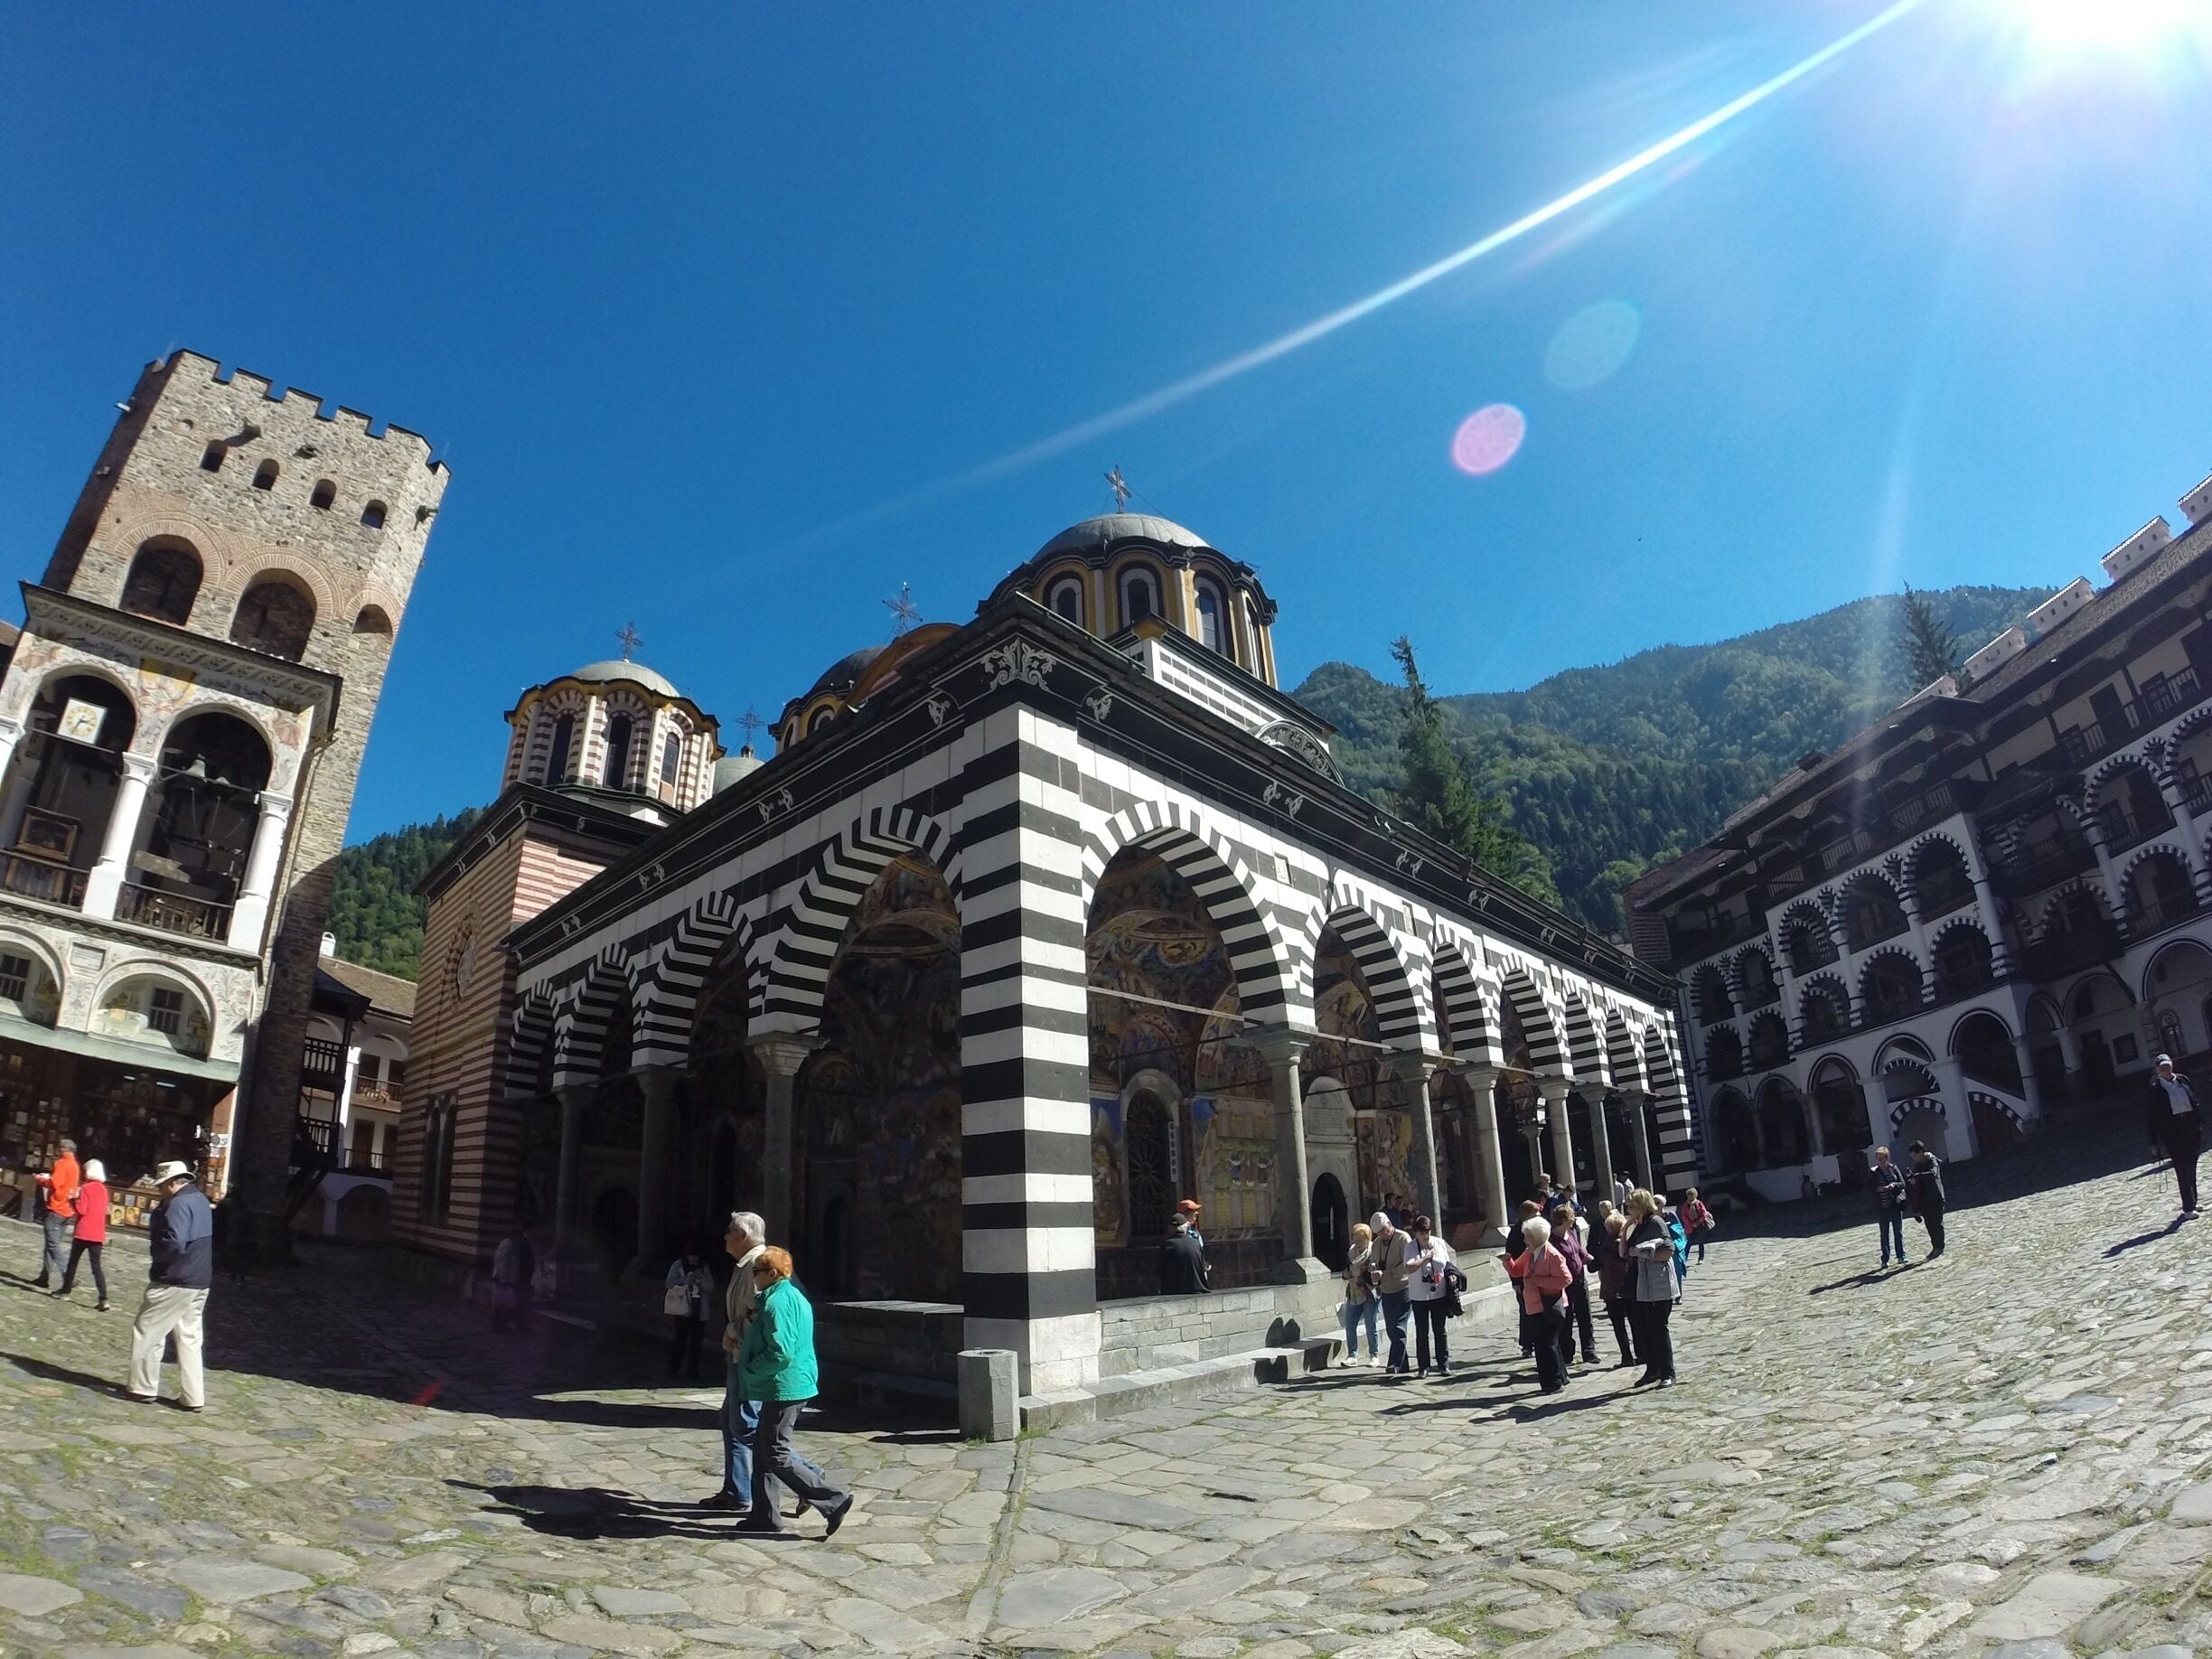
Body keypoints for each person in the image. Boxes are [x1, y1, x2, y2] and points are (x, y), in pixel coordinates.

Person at [706, 1212, 826, 1514]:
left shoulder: (759, 1266)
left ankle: (810, 1478)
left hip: (749, 1359)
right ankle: (738, 1490)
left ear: (744, 1235)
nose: (725, 1236)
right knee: (733, 1424)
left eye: (730, 1230)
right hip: (741, 1355)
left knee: (747, 1428)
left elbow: (760, 1316)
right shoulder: (747, 1265)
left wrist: (733, 1334)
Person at [735, 1247, 854, 1537]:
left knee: (774, 1453)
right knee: (764, 1452)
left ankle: (832, 1499)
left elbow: (781, 1353)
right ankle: (765, 1516)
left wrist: (750, 1370)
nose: (753, 1278)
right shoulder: (788, 1296)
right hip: (786, 1384)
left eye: (757, 1273)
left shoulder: (779, 1302)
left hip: (784, 1387)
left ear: (772, 1274)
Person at [128, 1163, 212, 1411]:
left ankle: (143, 1387)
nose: (161, 1192)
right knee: (189, 1339)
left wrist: (157, 1255)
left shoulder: (178, 1205)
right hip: (199, 1280)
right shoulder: (200, 1200)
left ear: (170, 1183)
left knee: (148, 1331)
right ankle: (193, 1396)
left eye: (162, 1186)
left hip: (175, 1279)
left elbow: (174, 1243)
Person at [1505, 1215, 1576, 1394]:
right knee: (1548, 1344)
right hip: (1535, 1306)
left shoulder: (1552, 1254)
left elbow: (1566, 1279)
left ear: (1536, 1237)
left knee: (1546, 1345)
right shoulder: (1529, 1253)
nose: (1524, 1240)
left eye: (1527, 1236)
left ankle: (1552, 1384)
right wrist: (1507, 1261)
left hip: (1550, 1305)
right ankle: (1561, 1377)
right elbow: (1516, 1269)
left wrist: (1539, 1281)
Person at [1625, 1188, 1680, 1387]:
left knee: (1658, 1328)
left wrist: (1643, 1254)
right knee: (1643, 1328)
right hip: (1643, 1285)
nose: (1628, 1208)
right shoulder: (1638, 1225)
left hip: (1659, 1283)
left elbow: (1668, 1250)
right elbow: (1625, 1251)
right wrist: (1626, 1227)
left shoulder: (1655, 1222)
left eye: (1631, 1205)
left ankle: (1668, 1372)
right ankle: (1653, 1369)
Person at [2147, 1054, 2205, 1219]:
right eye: (2162, 1067)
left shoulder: (2182, 1080)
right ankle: (2187, 1208)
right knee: (2181, 1166)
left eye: (2168, 1065)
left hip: (2190, 1125)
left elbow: (2194, 1099)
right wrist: (2153, 1142)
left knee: (2192, 1163)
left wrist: (2199, 1121)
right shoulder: (2155, 1089)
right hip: (2172, 1130)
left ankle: (2193, 1200)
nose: (2166, 1069)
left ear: (2172, 1065)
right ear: (2157, 1070)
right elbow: (2151, 1116)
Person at [1404, 1214, 1455, 1378]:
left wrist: (1452, 1275)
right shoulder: (1410, 1247)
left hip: (1439, 1293)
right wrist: (1426, 1258)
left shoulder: (1439, 1243)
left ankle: (1443, 1364)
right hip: (1419, 1295)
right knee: (1422, 1331)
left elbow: (1447, 1264)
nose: (1425, 1236)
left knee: (1440, 1330)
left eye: (1427, 1233)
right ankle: (1423, 1366)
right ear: (1415, 1234)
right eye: (1421, 1233)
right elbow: (1409, 1267)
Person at [56, 1158, 110, 1310]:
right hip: (98, 1234)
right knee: (96, 1267)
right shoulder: (104, 1190)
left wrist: (73, 1200)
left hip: (83, 1232)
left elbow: (82, 1210)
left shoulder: (86, 1188)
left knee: (73, 1263)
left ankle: (66, 1290)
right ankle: (104, 1298)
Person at [1368, 1210, 1417, 1374]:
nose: (1382, 1234)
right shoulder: (1376, 1244)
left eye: (1384, 1230)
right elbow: (1373, 1263)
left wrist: (1386, 1274)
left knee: (1399, 1327)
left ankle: (1395, 1363)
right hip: (1386, 1291)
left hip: (1404, 1288)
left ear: (1389, 1224)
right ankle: (1403, 1365)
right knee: (1391, 1328)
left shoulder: (1403, 1238)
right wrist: (1373, 1274)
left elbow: (1407, 1265)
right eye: (1379, 1232)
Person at [1551, 1202, 1598, 1366]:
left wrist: (1587, 1257)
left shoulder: (1570, 1233)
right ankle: (1567, 1353)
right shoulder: (1552, 1240)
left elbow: (1579, 1250)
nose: (1574, 1219)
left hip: (1580, 1281)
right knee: (1567, 1319)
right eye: (1571, 1217)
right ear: (1563, 1219)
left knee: (1586, 1317)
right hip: (1564, 1286)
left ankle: (1589, 1351)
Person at [32, 1138, 80, 1289]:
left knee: (52, 1245)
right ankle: (44, 1277)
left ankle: (68, 1275)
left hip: (56, 1208)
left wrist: (40, 1179)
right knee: (52, 1244)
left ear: (64, 1149)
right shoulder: (75, 1165)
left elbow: (54, 1183)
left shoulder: (62, 1163)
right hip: (67, 1209)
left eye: (59, 1148)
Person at [1596, 1211, 1638, 1369]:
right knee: (1635, 1322)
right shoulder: (1627, 1244)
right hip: (1628, 1287)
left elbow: (1596, 1266)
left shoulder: (1604, 1246)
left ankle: (1626, 1356)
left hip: (1611, 1291)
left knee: (1619, 1326)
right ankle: (1641, 1353)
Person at [1502, 1198, 1542, 1359]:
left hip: (1535, 1278)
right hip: (1522, 1279)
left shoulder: (1535, 1229)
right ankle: (1527, 1345)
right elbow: (1511, 1257)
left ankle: (1536, 1340)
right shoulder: (1516, 1232)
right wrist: (1516, 1282)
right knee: (1526, 1311)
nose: (1538, 1215)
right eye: (1535, 1213)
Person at [666, 1247, 713, 1379]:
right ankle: (674, 1367)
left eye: (696, 1256)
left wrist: (700, 1278)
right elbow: (669, 1283)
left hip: (699, 1309)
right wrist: (687, 1280)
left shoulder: (704, 1267)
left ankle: (693, 1371)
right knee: (680, 1339)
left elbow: (710, 1286)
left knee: (697, 1342)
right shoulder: (678, 1265)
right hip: (683, 1309)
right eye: (691, 1256)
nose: (694, 1259)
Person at [1340, 1221, 1381, 1367]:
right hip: (1354, 1292)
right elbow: (1346, 1270)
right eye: (1355, 1239)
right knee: (1350, 1324)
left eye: (1360, 1240)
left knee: (1371, 1324)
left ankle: (1374, 1355)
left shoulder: (1373, 1251)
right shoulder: (1351, 1252)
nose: (1356, 1243)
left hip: (1369, 1292)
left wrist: (1357, 1274)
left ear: (1367, 1239)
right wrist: (1347, 1274)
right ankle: (1352, 1355)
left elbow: (1373, 1274)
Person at [1904, 1141, 1946, 1258]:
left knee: (1937, 1223)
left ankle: (1940, 1247)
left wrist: (1917, 1176)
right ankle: (1935, 1246)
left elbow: (1932, 1174)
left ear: (1921, 1152)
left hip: (1935, 1196)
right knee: (1929, 1224)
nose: (1914, 1158)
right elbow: (1918, 1179)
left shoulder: (1932, 1160)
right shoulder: (1918, 1165)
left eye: (1915, 1155)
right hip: (1924, 1198)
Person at [490, 1223, 535, 1331]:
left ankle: (501, 1325)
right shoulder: (508, 1245)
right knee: (505, 1303)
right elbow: (503, 1263)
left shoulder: (508, 1244)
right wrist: (505, 1279)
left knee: (503, 1302)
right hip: (505, 1279)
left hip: (505, 1279)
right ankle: (500, 1325)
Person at [1870, 1148, 1909, 1266]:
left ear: (1887, 1158)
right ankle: (1885, 1259)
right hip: (1882, 1206)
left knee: (1898, 1232)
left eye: (1883, 1158)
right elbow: (1868, 1188)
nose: (1881, 1161)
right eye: (1878, 1159)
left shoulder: (1893, 1168)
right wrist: (1878, 1189)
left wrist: (1893, 1185)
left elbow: (1902, 1183)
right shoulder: (1873, 1172)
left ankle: (1901, 1255)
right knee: (1884, 1233)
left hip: (1895, 1204)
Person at [1159, 1210, 1211, 1294]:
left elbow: (1159, 1272)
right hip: (1197, 1290)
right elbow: (1203, 1268)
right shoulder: (1196, 1243)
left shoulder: (1167, 1245)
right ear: (1186, 1226)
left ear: (1170, 1229)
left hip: (1174, 1292)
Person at [1680, 1187, 1714, 1262]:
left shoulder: (1699, 1203)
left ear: (1695, 1195)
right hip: (1690, 1226)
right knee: (1689, 1242)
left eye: (1691, 1194)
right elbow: (1683, 1216)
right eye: (1688, 1194)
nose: (1690, 1196)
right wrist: (1690, 1223)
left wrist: (1698, 1222)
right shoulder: (1685, 1205)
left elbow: (1704, 1213)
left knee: (1700, 1241)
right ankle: (1684, 1258)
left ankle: (1701, 1258)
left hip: (1699, 1224)